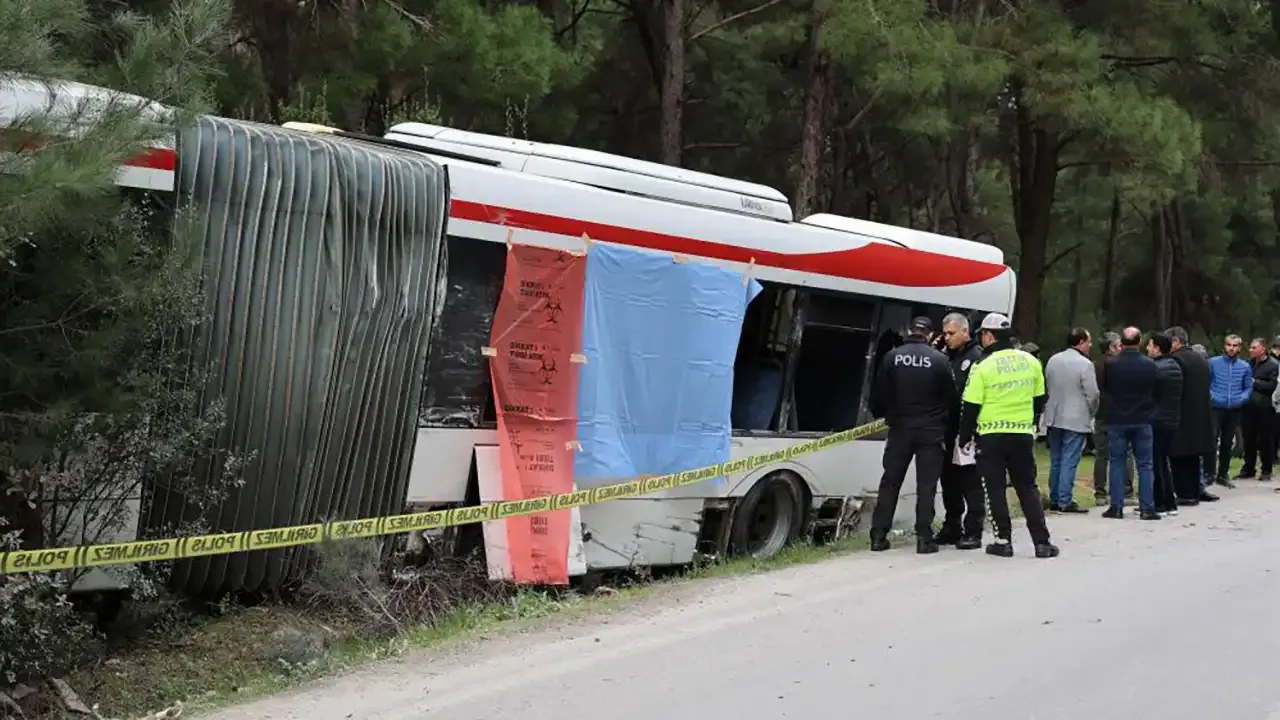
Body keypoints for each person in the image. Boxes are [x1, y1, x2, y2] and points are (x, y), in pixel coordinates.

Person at [957, 312, 1058, 559]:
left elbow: (970, 406)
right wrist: (1029, 423)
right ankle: (1042, 543)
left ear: (989, 335)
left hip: (990, 435)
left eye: (982, 334)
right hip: (1021, 434)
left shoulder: (982, 366)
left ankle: (1003, 541)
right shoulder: (1031, 361)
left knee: (994, 489)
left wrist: (964, 437)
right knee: (1027, 487)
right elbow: (1040, 399)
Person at [868, 316, 957, 554]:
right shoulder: (939, 360)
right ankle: (924, 539)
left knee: (890, 482)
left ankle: (878, 536)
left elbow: (879, 395)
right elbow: (951, 398)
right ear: (930, 334)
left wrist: (887, 415)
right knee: (926, 485)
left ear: (910, 331)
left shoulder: (892, 357)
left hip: (900, 429)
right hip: (931, 431)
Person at [936, 312, 986, 549]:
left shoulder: (977, 358)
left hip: (968, 430)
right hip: (947, 429)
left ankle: (974, 529)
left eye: (951, 333)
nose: (947, 337)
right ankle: (952, 525)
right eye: (945, 333)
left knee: (970, 482)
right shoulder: (946, 356)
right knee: (948, 480)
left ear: (965, 332)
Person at [1099, 327, 1161, 520]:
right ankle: (1147, 507)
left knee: (1117, 462)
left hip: (1117, 418)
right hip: (1142, 418)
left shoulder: (1111, 365)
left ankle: (1116, 506)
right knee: (1145, 464)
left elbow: (1105, 389)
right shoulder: (1149, 364)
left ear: (1122, 342)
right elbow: (1157, 390)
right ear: (1139, 341)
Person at [1042, 327, 1097, 513]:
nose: (1090, 345)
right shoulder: (1085, 364)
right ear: (1080, 342)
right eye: (1088, 341)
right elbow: (1093, 393)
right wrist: (1091, 412)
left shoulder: (1053, 360)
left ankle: (1055, 498)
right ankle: (1065, 499)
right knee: (1069, 460)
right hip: (1075, 417)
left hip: (1054, 415)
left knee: (1056, 459)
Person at [1167, 326, 1218, 504]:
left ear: (1176, 342)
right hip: (1200, 413)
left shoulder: (1176, 360)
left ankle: (1184, 494)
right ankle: (1195, 490)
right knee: (1194, 456)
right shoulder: (1200, 359)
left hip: (1182, 413)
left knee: (1179, 456)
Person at [1092, 332, 1135, 504]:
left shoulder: (1094, 365)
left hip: (1101, 413)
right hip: (1120, 414)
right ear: (1111, 347)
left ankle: (1100, 493)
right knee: (1125, 453)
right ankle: (1126, 491)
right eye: (1119, 345)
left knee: (1101, 455)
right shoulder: (1122, 365)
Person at [1207, 334, 1252, 487]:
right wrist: (1211, 396)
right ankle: (1209, 473)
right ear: (1224, 346)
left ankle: (1223, 474)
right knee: (1212, 440)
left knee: (1227, 442)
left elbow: (1248, 387)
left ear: (1239, 348)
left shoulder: (1245, 366)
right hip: (1216, 407)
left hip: (1234, 408)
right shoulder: (1213, 363)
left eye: (1234, 345)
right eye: (1229, 345)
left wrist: (1242, 398)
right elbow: (1206, 382)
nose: (1231, 348)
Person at [1147, 332, 1183, 514]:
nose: (1147, 349)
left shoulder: (1156, 368)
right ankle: (1169, 500)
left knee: (1156, 462)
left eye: (1149, 345)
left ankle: (1159, 501)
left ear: (1157, 348)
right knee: (1163, 460)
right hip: (1171, 418)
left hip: (1157, 419)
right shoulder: (1175, 366)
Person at [1238, 337, 1278, 481]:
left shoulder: (1273, 365)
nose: (1251, 350)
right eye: (1251, 347)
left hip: (1264, 407)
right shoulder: (1249, 364)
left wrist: (1255, 382)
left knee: (1265, 439)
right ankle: (1249, 468)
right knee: (1248, 439)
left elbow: (1272, 386)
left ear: (1262, 349)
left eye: (1254, 348)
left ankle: (1266, 469)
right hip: (1248, 406)